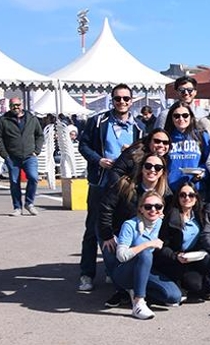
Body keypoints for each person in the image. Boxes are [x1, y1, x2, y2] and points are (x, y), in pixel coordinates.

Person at [77, 84, 143, 292]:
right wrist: (98, 160)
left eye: (125, 99)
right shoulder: (99, 121)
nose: (122, 102)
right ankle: (87, 274)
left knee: (122, 228)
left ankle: (112, 269)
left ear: (132, 101)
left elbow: (144, 153)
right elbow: (83, 145)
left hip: (125, 184)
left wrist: (132, 152)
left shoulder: (138, 126)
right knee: (93, 229)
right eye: (117, 99)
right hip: (101, 182)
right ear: (112, 100)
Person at [99, 154, 171, 307]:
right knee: (113, 250)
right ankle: (125, 293)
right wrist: (107, 235)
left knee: (172, 296)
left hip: (144, 250)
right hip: (120, 234)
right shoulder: (126, 185)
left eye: (158, 167)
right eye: (148, 166)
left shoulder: (166, 194)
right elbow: (105, 208)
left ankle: (140, 287)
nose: (152, 170)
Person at [111, 191, 183, 319]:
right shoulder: (130, 225)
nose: (153, 210)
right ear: (141, 209)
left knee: (174, 297)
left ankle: (138, 290)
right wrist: (148, 244)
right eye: (148, 207)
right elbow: (121, 256)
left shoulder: (163, 224)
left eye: (158, 206)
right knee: (145, 254)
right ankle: (138, 303)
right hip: (125, 272)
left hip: (148, 270)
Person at [155, 181, 210, 301]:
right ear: (178, 197)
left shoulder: (200, 215)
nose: (187, 198)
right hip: (173, 261)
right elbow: (162, 246)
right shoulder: (170, 216)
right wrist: (176, 256)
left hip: (193, 259)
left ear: (196, 197)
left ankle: (206, 286)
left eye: (191, 195)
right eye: (182, 195)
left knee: (197, 285)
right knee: (184, 288)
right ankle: (176, 283)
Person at [0, 97, 44, 216]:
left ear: (22, 105)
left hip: (29, 156)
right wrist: (5, 155)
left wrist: (36, 151)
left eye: (17, 105)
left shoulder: (31, 119)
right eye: (13, 105)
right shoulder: (4, 120)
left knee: (33, 178)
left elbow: (39, 135)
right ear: (10, 106)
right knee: (14, 182)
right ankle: (17, 207)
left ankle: (29, 203)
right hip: (12, 157)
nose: (15, 107)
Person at [163, 103, 210, 191]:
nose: (181, 119)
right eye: (176, 116)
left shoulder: (201, 135)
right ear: (171, 118)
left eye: (185, 115)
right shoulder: (165, 137)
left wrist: (202, 172)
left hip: (195, 188)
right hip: (171, 189)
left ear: (191, 117)